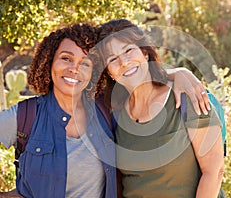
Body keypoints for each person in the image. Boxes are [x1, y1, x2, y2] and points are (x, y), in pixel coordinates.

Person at [0, 23, 210, 197]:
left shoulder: (106, 108)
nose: (74, 68)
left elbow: (137, 76)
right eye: (66, 58)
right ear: (49, 62)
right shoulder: (24, 115)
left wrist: (179, 73)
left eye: (85, 63)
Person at [92, 18, 225, 198]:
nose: (124, 62)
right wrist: (177, 72)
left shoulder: (187, 97)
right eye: (112, 59)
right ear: (109, 72)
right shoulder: (113, 113)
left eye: (129, 50)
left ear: (145, 53)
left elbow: (214, 172)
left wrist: (181, 73)